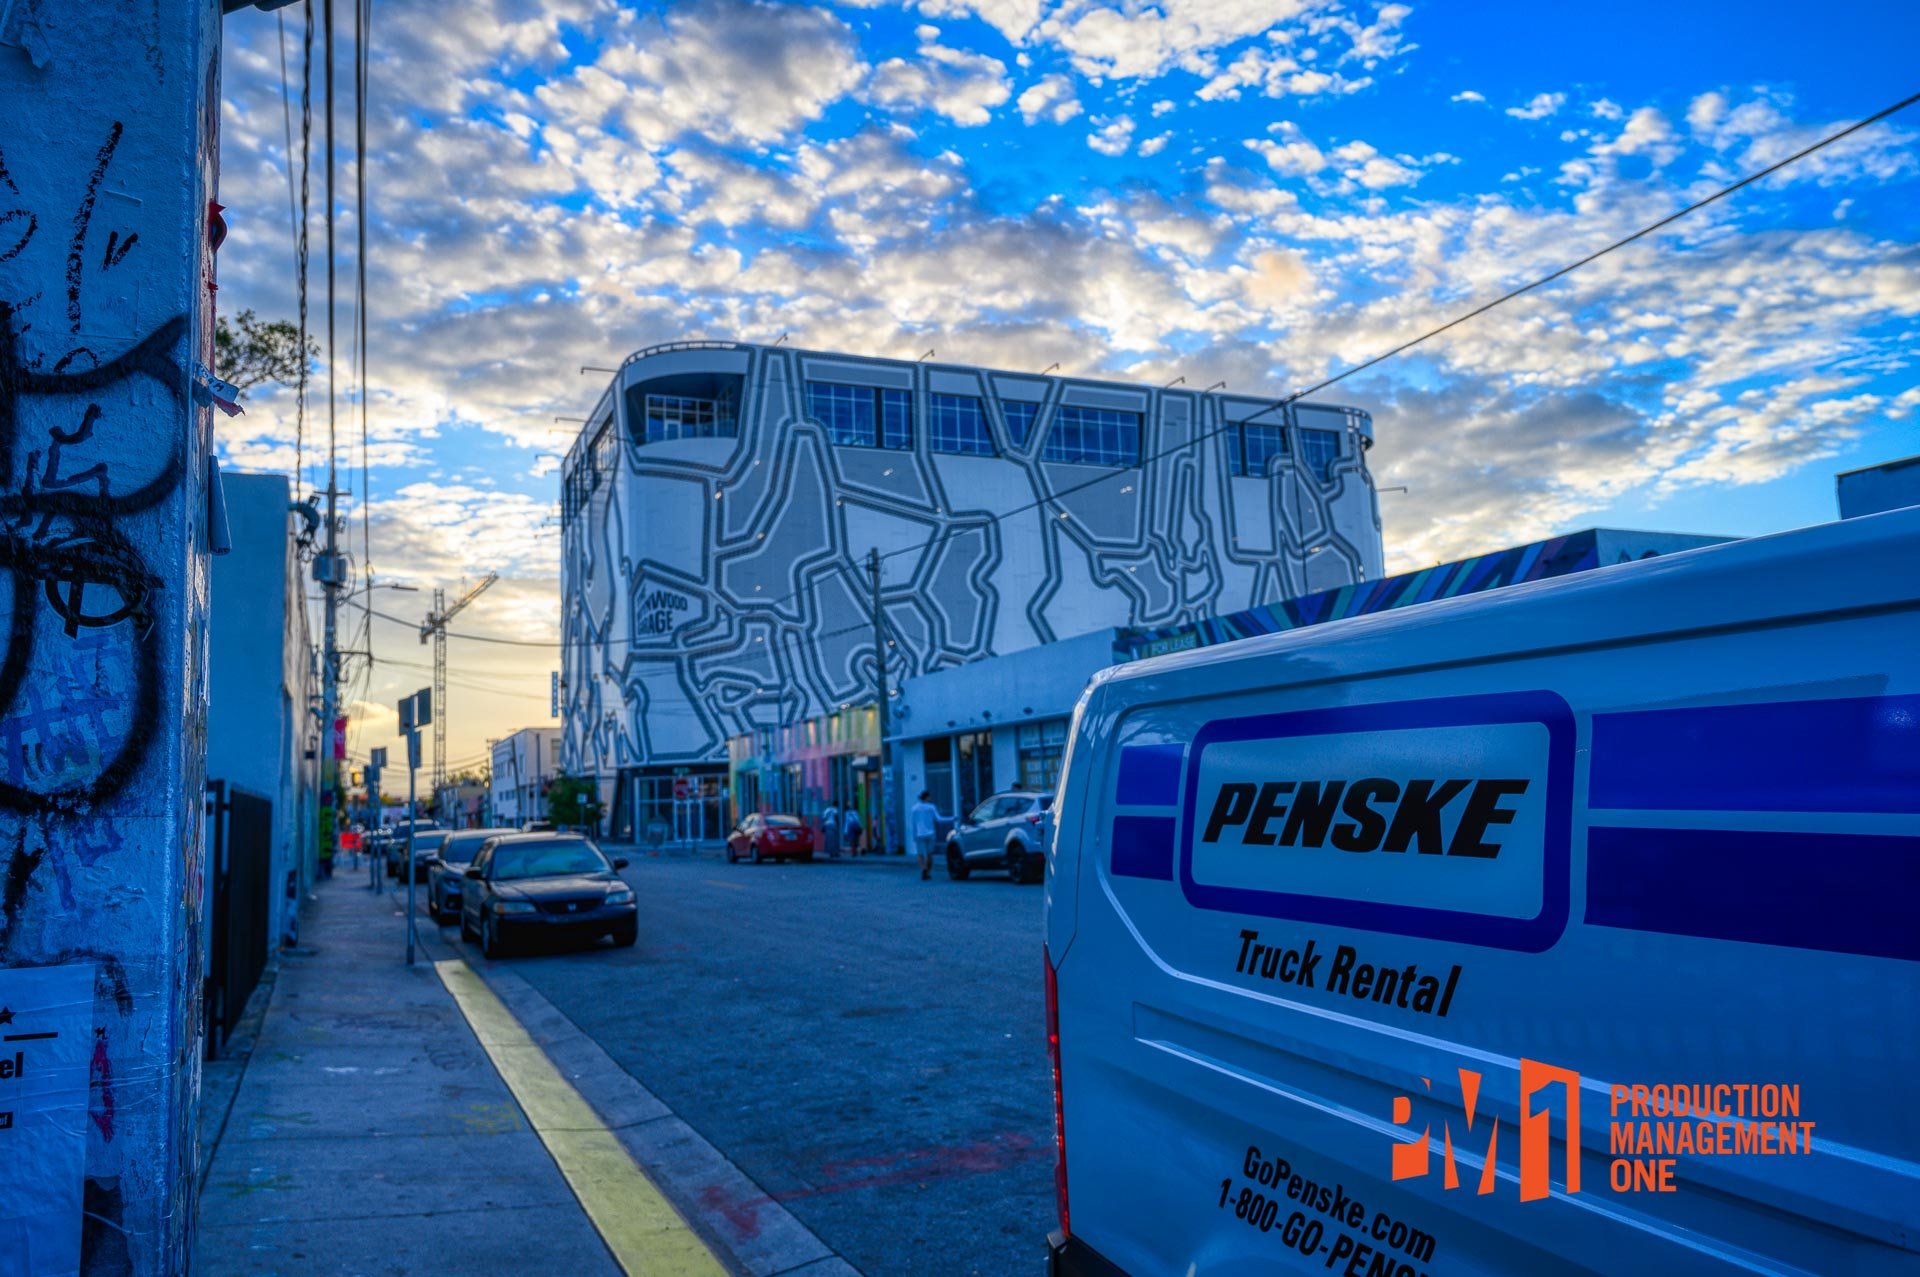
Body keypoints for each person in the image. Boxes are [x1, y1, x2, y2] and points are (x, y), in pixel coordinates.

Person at [909, 790, 950, 881]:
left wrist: (914, 835)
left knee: (920, 854)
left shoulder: (915, 808)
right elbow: (939, 819)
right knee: (929, 853)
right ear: (927, 797)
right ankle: (928, 872)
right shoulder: (931, 807)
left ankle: (923, 869)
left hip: (919, 834)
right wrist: (952, 819)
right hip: (931, 833)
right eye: (929, 797)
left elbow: (914, 823)